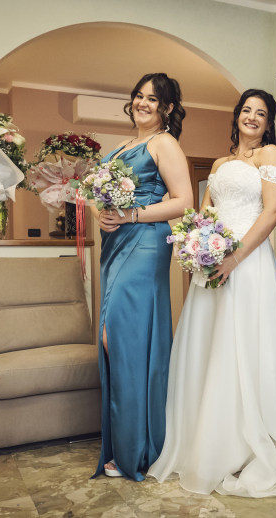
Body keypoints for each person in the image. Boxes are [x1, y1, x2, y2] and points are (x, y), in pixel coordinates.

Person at [147, 89, 276, 497]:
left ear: (268, 124)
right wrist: (196, 247)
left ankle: (252, 439)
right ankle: (211, 439)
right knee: (211, 344)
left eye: (261, 113)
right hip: (212, 262)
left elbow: (272, 212)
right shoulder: (219, 164)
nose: (252, 117)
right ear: (236, 116)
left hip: (247, 262)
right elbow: (204, 214)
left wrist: (234, 258)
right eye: (247, 110)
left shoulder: (270, 155)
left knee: (248, 343)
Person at [92, 73, 193, 481]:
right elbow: (105, 197)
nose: (142, 103)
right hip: (116, 245)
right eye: (138, 96)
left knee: (124, 339)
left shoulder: (164, 143)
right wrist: (104, 214)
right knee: (111, 338)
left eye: (153, 99)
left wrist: (131, 214)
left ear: (167, 108)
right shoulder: (122, 145)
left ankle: (137, 449)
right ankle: (127, 443)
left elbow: (184, 201)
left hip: (146, 244)